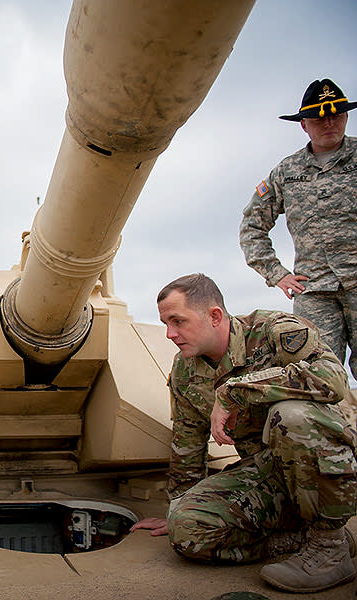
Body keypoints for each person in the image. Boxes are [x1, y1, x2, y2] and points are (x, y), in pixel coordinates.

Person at [130, 274, 357, 594]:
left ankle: (330, 547)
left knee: (290, 415)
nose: (170, 334)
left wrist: (237, 391)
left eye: (178, 321)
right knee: (186, 529)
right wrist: (178, 507)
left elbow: (332, 379)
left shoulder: (273, 332)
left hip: (329, 470)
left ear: (214, 316)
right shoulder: (184, 371)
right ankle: (300, 540)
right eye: (165, 323)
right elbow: (187, 443)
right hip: (271, 476)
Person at [240, 78, 357, 378]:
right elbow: (253, 226)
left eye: (336, 114)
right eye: (319, 118)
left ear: (346, 116)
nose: (328, 122)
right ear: (304, 125)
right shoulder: (286, 172)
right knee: (314, 375)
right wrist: (277, 274)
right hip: (315, 292)